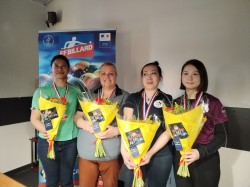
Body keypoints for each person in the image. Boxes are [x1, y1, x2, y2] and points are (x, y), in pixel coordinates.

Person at [173, 59, 228, 187]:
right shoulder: (175, 104)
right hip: (181, 158)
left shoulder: (213, 103)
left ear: (202, 76)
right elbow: (174, 132)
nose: (190, 77)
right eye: (185, 73)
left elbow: (222, 135)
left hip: (206, 159)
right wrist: (180, 149)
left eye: (195, 74)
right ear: (181, 77)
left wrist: (200, 152)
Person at [74, 62, 129, 187]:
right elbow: (77, 116)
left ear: (116, 76)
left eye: (111, 74)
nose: (107, 77)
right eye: (103, 73)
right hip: (87, 153)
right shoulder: (89, 95)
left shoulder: (125, 97)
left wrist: (117, 130)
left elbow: (129, 123)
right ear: (99, 76)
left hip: (110, 155)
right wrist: (83, 123)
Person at [30, 55, 81, 187]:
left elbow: (79, 115)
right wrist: (46, 130)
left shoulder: (76, 91)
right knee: (51, 181)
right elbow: (34, 118)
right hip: (47, 142)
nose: (59, 69)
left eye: (63, 66)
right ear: (51, 69)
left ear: (69, 69)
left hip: (70, 142)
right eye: (56, 66)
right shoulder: (41, 91)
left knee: (67, 181)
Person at [121, 61, 173, 187]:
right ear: (141, 78)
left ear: (160, 77)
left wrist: (150, 153)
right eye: (145, 74)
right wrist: (124, 151)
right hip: (135, 151)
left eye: (153, 73)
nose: (149, 77)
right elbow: (126, 126)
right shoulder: (133, 98)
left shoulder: (167, 99)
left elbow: (169, 130)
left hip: (160, 154)